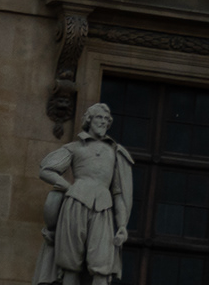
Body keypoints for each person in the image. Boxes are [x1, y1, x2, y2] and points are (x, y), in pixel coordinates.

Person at [36, 100, 140, 285]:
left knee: (102, 266)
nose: (103, 122)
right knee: (70, 264)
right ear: (89, 120)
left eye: (107, 119)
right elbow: (46, 170)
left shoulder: (115, 152)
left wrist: (122, 224)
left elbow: (118, 193)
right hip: (75, 204)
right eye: (99, 117)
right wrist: (69, 188)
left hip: (103, 208)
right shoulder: (75, 148)